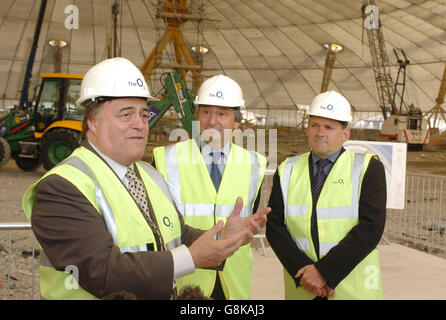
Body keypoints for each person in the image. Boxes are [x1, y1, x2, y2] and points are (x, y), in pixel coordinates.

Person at [22, 57, 270, 300]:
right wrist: (191, 258)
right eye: (126, 114)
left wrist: (223, 236)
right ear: (92, 123)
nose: (139, 124)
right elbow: (102, 271)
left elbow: (174, 233)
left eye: (143, 115)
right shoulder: (62, 186)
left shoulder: (149, 175)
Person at [153, 75, 267, 300]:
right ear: (197, 116)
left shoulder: (255, 164)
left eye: (222, 113)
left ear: (236, 121)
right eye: (206, 112)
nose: (212, 121)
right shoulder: (165, 159)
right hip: (186, 278)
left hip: (234, 280)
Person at [266, 91, 386, 300]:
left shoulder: (367, 168)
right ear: (307, 129)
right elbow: (275, 227)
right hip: (303, 287)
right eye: (315, 125)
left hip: (350, 289)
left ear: (345, 134)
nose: (320, 132)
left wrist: (324, 273)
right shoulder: (287, 169)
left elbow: (371, 228)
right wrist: (304, 272)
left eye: (329, 127)